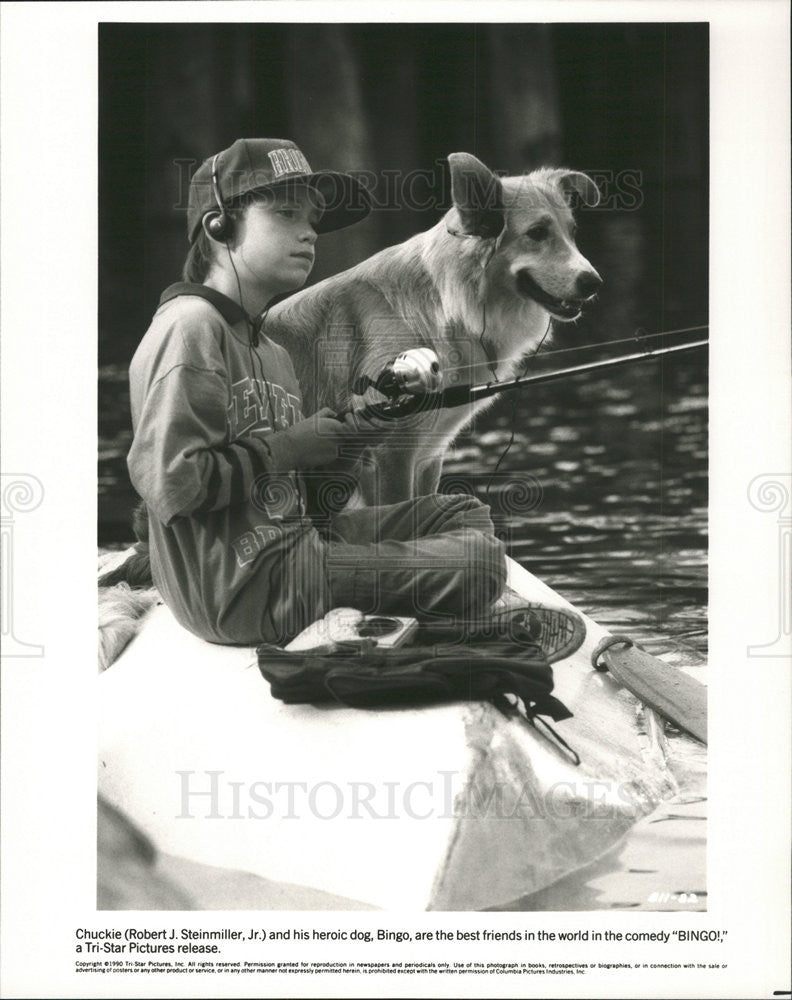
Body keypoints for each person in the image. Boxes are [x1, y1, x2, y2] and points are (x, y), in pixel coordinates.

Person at [126, 137, 582, 658]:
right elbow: (172, 487)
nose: (308, 233)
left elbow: (315, 484)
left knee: (462, 513)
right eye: (285, 214)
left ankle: (422, 606)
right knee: (478, 564)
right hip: (243, 587)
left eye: (313, 218)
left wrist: (375, 414)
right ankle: (444, 622)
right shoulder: (189, 331)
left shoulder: (266, 345)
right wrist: (291, 447)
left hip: (298, 543)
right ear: (220, 225)